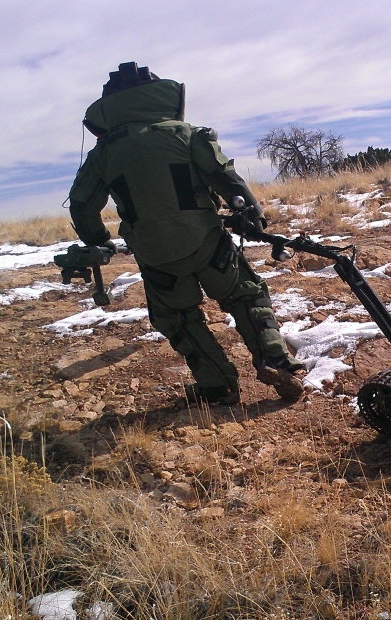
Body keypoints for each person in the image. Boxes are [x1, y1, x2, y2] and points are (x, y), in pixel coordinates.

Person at [66, 62, 305, 405]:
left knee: (179, 320)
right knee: (246, 296)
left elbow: (82, 207)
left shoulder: (102, 154)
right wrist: (252, 215)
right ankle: (276, 361)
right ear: (157, 95)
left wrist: (99, 241)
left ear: (109, 108)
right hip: (209, 244)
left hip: (156, 255)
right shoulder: (186, 134)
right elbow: (227, 179)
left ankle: (218, 385)